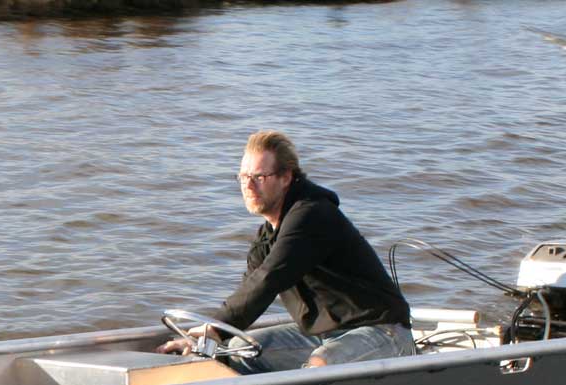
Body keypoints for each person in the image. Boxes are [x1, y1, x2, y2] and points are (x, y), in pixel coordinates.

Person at [158, 130, 415, 372]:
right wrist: (211, 337)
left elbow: (269, 278)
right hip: (321, 336)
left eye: (260, 177)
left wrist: (214, 329)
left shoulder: (312, 215)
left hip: (383, 332)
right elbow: (250, 291)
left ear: (286, 178)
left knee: (322, 364)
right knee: (236, 350)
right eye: (243, 176)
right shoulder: (267, 236)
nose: (248, 186)